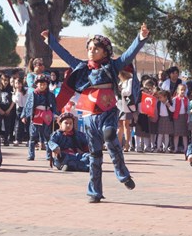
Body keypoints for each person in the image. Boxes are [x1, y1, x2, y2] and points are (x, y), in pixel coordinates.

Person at [42, 23, 149, 203]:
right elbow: (65, 55)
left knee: (110, 136)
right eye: (89, 48)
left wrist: (141, 38)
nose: (91, 51)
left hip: (108, 111)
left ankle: (122, 173)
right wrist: (50, 41)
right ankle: (94, 191)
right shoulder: (82, 67)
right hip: (89, 115)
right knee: (95, 154)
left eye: (95, 49)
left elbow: (129, 54)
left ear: (105, 52)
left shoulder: (113, 66)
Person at [21, 74, 58, 161]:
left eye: (44, 84)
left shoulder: (50, 95)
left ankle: (49, 155)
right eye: (40, 84)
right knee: (33, 135)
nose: (42, 86)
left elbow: (55, 106)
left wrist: (56, 115)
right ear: (36, 84)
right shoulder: (32, 94)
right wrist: (24, 115)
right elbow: (27, 105)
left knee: (47, 136)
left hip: (47, 115)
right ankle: (31, 155)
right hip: (36, 115)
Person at [0, 74, 16, 146]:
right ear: (1, 80)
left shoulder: (11, 89)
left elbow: (13, 100)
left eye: (7, 80)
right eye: (4, 80)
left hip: (8, 109)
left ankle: (6, 139)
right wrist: (0, 110)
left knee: (7, 125)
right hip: (0, 109)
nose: (5, 82)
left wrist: (9, 110)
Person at [117, 70, 134, 152]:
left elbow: (129, 92)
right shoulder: (120, 82)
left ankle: (127, 144)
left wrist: (121, 90)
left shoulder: (129, 81)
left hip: (126, 105)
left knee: (126, 124)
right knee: (120, 125)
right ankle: (119, 144)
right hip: (119, 104)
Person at [172, 84, 189, 153]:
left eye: (184, 90)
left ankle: (185, 148)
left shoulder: (186, 99)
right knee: (176, 134)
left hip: (184, 117)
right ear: (178, 91)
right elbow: (173, 109)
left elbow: (188, 109)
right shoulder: (174, 99)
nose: (182, 91)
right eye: (181, 90)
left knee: (184, 134)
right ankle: (175, 148)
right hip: (177, 117)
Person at [12, 76, 28, 146]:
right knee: (18, 125)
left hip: (26, 108)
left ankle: (28, 139)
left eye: (19, 83)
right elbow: (16, 100)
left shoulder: (26, 90)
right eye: (16, 83)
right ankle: (18, 139)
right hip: (19, 109)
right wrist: (17, 92)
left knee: (27, 125)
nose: (18, 85)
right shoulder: (15, 92)